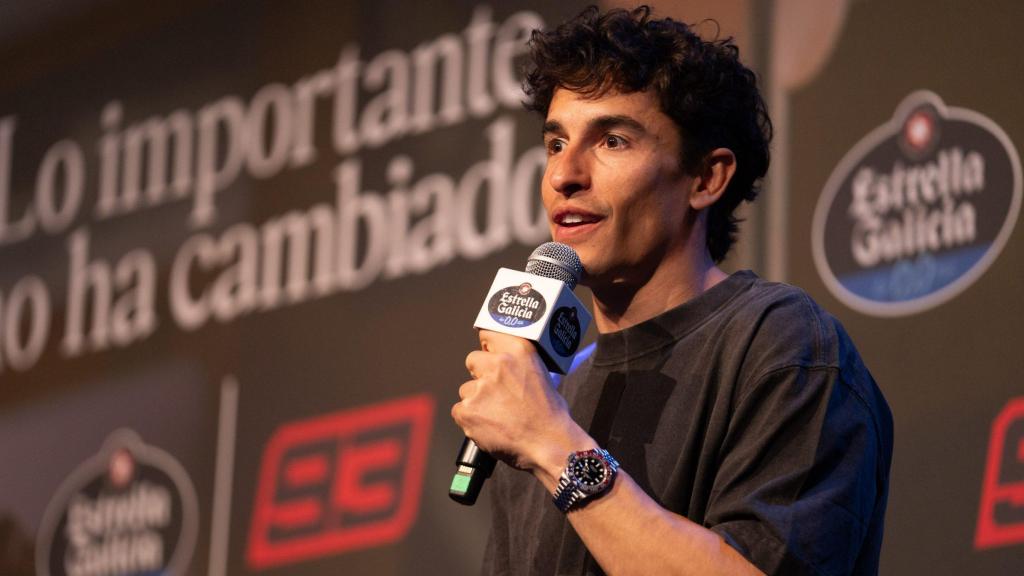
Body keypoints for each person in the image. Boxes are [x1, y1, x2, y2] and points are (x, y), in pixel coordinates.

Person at [450, 5, 893, 575]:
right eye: (556, 143)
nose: (564, 175)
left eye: (611, 140)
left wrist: (554, 445)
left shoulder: (779, 344)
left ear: (706, 179)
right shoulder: (551, 392)